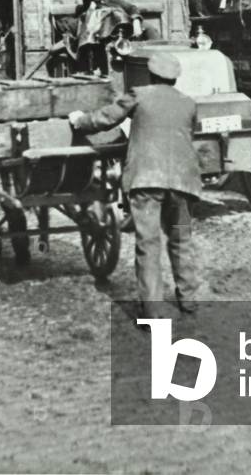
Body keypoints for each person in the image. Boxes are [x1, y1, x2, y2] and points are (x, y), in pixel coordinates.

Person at [68, 53, 201, 321]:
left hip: (147, 181)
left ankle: (152, 313)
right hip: (182, 183)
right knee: (181, 239)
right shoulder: (188, 103)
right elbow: (189, 134)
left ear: (150, 75)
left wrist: (79, 120)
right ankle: (188, 300)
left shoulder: (139, 94)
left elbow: (106, 118)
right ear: (174, 78)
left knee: (148, 244)